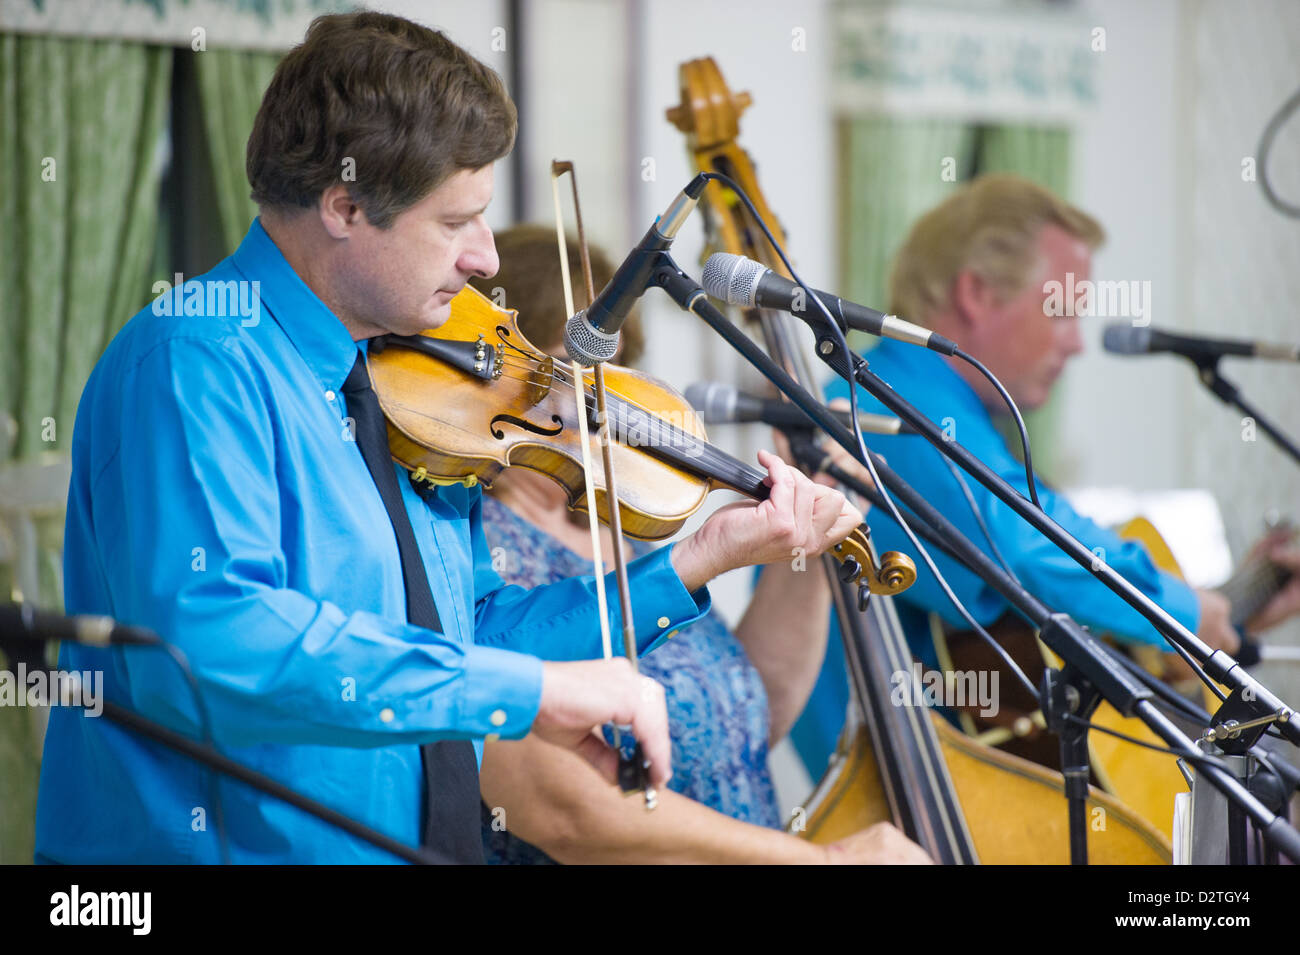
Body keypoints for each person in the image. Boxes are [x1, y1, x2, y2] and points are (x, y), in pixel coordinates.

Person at [34, 12, 865, 864]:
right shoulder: (195, 360)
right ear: (345, 205)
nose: (486, 259)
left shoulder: (406, 392)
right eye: (454, 221)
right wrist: (528, 691)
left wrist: (697, 558)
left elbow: (468, 641)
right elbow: (212, 641)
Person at [792, 173, 1300, 773]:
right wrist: (1182, 614)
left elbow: (1037, 619)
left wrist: (1228, 611)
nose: (1078, 344)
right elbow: (1027, 545)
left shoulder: (947, 413)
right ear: (977, 294)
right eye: (1063, 312)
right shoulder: (882, 403)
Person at [469, 225, 930, 864]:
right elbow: (564, 810)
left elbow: (744, 717)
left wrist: (804, 557)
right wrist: (822, 862)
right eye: (566, 366)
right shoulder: (474, 545)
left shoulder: (624, 533)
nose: (601, 400)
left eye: (612, 365)